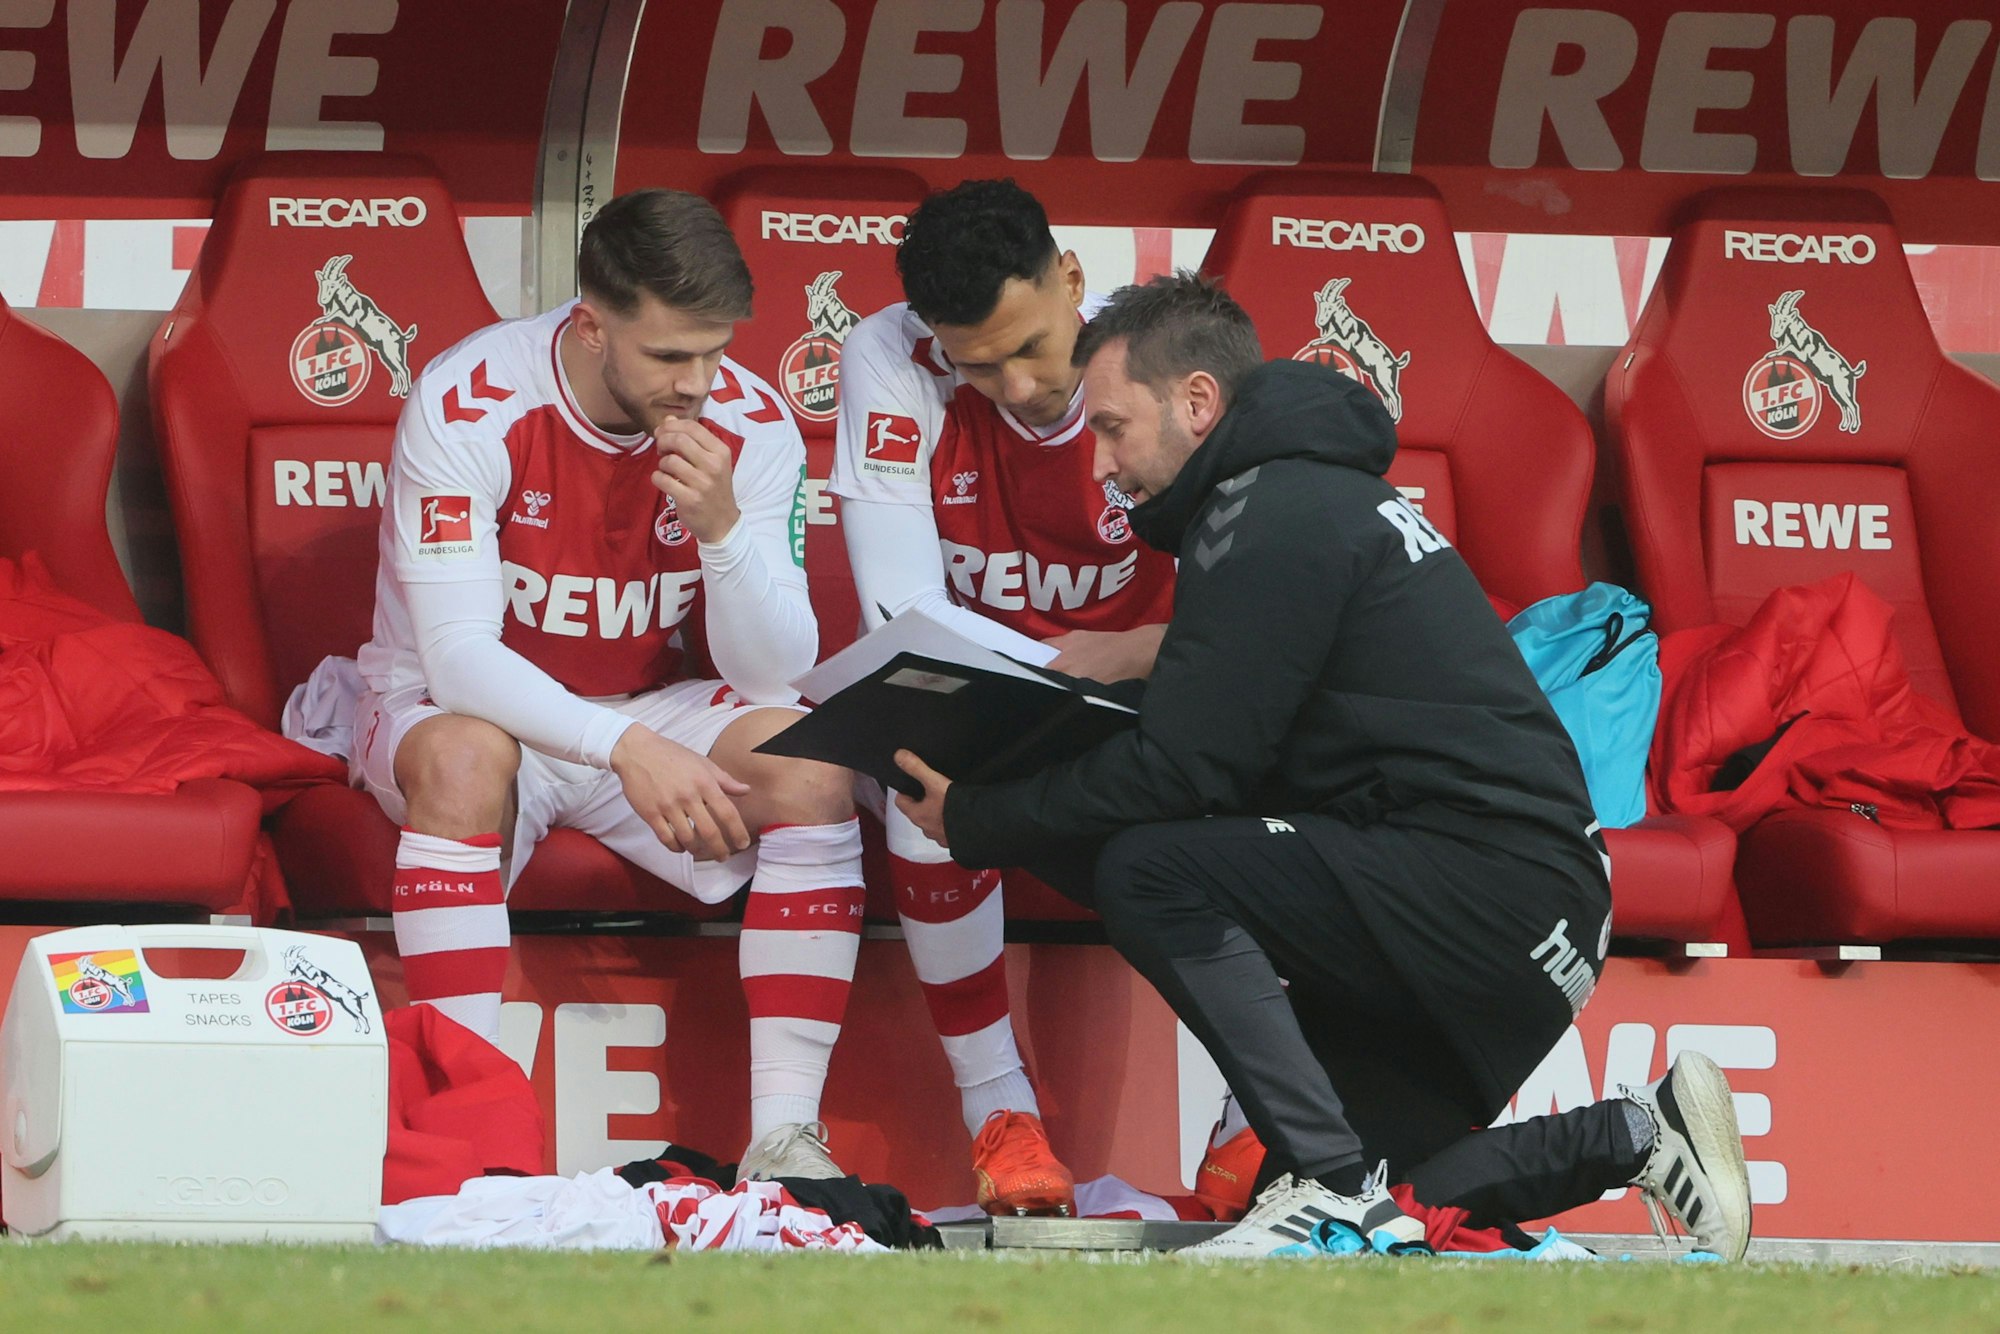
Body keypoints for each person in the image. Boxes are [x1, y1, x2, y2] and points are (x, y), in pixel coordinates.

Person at [894, 272, 1753, 1260]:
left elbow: (1182, 773)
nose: (1098, 462)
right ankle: (1634, 1133)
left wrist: (980, 816)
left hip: (1484, 891)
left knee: (1149, 867)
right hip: (1526, 917)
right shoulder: (1299, 497)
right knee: (1354, 1205)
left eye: (1114, 427)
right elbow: (1218, 747)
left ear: (1197, 403)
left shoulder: (1262, 509)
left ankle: (1333, 1186)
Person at [349, 189, 864, 1182]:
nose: (699, 383)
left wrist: (720, 530)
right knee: (466, 754)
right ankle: (466, 1126)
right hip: (465, 704)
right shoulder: (468, 401)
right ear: (589, 325)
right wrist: (623, 749)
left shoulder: (747, 423)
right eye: (670, 356)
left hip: (649, 705)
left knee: (812, 767)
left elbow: (772, 670)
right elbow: (457, 654)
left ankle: (786, 1139)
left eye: (714, 351)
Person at [829, 179, 1182, 1216]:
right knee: (919, 742)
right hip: (998, 689)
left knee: (1271, 753)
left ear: (1072, 279)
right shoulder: (887, 353)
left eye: (1032, 346)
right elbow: (900, 604)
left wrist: (1126, 659)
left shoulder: (1160, 351)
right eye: (975, 363)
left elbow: (1236, 588)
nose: (1015, 385)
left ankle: (1248, 1126)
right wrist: (1056, 679)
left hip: (1136, 683)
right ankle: (999, 1112)